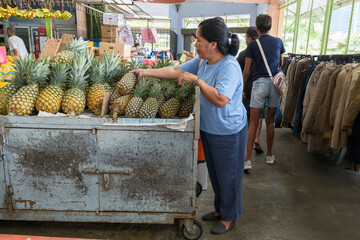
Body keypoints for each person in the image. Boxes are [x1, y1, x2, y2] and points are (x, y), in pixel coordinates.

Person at [132, 18, 247, 235]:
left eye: (198, 39)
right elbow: (176, 71)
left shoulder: (229, 66)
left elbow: (221, 99)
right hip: (210, 127)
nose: (194, 43)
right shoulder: (203, 60)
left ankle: (230, 216)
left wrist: (198, 81)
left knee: (228, 176)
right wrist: (145, 72)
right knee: (215, 173)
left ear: (213, 44)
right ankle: (220, 210)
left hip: (228, 131)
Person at [243, 14, 285, 169]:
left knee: (253, 122)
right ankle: (269, 156)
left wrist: (242, 88)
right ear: (270, 26)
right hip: (275, 85)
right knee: (270, 121)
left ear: (257, 26)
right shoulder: (278, 42)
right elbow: (280, 63)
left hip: (259, 84)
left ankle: (247, 160)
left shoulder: (253, 45)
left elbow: (246, 71)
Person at [237, 26, 265, 163]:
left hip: (248, 87)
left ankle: (246, 141)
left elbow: (242, 72)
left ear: (250, 38)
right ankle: (257, 139)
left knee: (247, 116)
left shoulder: (244, 54)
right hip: (262, 87)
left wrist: (241, 88)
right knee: (259, 114)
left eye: (246, 37)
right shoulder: (265, 51)